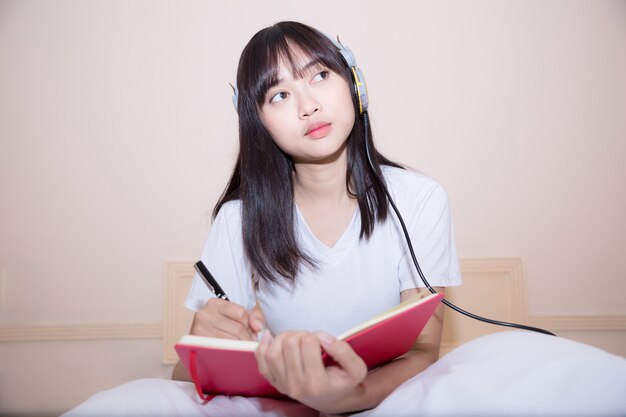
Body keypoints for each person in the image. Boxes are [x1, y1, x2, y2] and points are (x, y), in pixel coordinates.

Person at [172, 20, 461, 415]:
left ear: (354, 85)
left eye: (321, 75)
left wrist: (347, 398)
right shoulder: (237, 220)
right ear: (257, 122)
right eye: (279, 95)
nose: (308, 106)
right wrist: (201, 350)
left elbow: (425, 349)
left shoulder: (420, 199)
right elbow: (181, 378)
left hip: (393, 401)